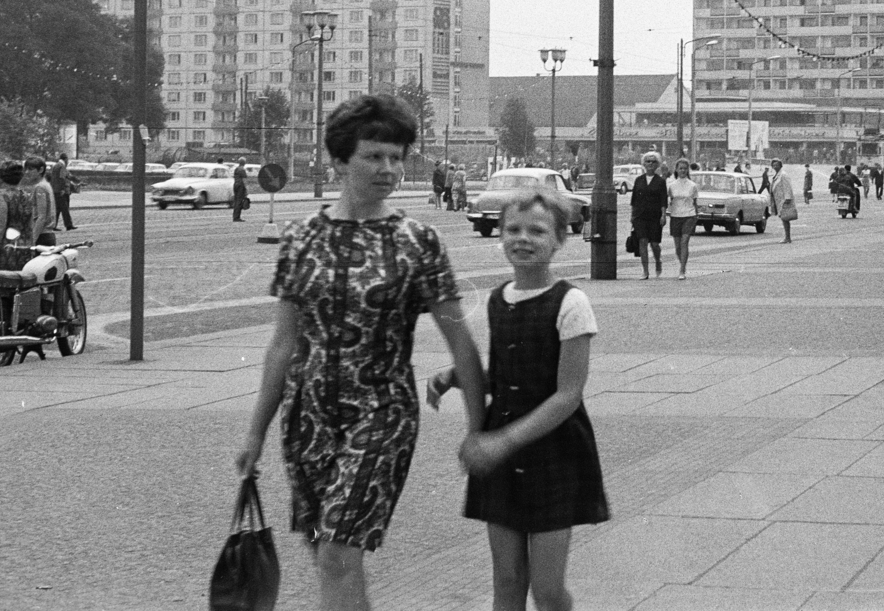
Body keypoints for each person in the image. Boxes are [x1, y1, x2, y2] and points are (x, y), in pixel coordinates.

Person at [235, 94, 487, 611]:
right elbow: (283, 343)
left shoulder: (419, 241)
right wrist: (255, 434)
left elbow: (460, 341)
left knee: (336, 553)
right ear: (339, 161)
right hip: (306, 418)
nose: (388, 169)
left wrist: (478, 431)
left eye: (396, 157)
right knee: (328, 553)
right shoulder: (301, 237)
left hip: (382, 414)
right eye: (374, 156)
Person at [428, 188, 608, 611]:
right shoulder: (497, 299)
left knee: (546, 589)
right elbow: (514, 374)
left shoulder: (572, 303)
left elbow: (566, 394)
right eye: (513, 229)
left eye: (537, 231)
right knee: (507, 580)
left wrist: (502, 440)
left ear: (561, 239)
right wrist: (459, 376)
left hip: (553, 454)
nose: (522, 238)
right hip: (503, 461)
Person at [0, 160, 35, 269]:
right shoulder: (27, 197)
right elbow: (31, 226)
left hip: (8, 249)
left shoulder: (4, 198)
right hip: (25, 247)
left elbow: (0, 228)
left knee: (6, 283)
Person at [629, 152, 668, 279]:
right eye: (648, 161)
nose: (650, 164)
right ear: (644, 164)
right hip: (640, 216)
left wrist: (663, 215)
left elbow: (663, 200)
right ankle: (645, 271)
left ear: (657, 164)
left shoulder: (660, 181)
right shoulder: (638, 180)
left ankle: (658, 261)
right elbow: (634, 199)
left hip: (655, 216)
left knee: (654, 244)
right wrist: (632, 216)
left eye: (653, 162)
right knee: (643, 242)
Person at [664, 158, 699, 279]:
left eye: (685, 168)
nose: (683, 170)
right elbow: (668, 201)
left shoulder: (692, 185)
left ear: (687, 170)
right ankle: (682, 262)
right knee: (678, 246)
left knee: (684, 242)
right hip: (675, 216)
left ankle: (682, 269)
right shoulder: (671, 186)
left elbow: (695, 202)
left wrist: (696, 216)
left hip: (689, 215)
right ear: (677, 170)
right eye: (680, 168)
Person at [22, 156, 55, 247]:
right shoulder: (46, 185)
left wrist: (32, 240)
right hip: (47, 235)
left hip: (42, 236)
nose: (27, 172)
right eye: (26, 169)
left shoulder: (40, 187)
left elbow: (41, 217)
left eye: (31, 169)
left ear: (41, 170)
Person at [767, 159, 796, 244]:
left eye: (777, 165)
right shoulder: (777, 175)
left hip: (784, 200)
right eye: (774, 165)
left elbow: (787, 186)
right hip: (778, 200)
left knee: (785, 218)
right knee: (784, 218)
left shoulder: (783, 175)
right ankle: (787, 237)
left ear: (780, 165)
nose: (775, 166)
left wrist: (787, 197)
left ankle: (787, 237)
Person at [48, 154, 78, 231]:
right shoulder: (62, 166)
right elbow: (62, 178)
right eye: (67, 160)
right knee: (65, 209)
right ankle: (68, 225)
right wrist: (62, 189)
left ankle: (53, 225)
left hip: (54, 190)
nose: (68, 162)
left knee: (57, 209)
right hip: (60, 191)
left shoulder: (55, 166)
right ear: (65, 159)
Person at [231, 158, 250, 223]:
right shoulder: (242, 170)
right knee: (239, 201)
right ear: (244, 163)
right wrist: (247, 189)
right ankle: (237, 217)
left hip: (235, 185)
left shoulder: (236, 169)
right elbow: (244, 180)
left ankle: (235, 216)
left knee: (236, 200)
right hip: (240, 186)